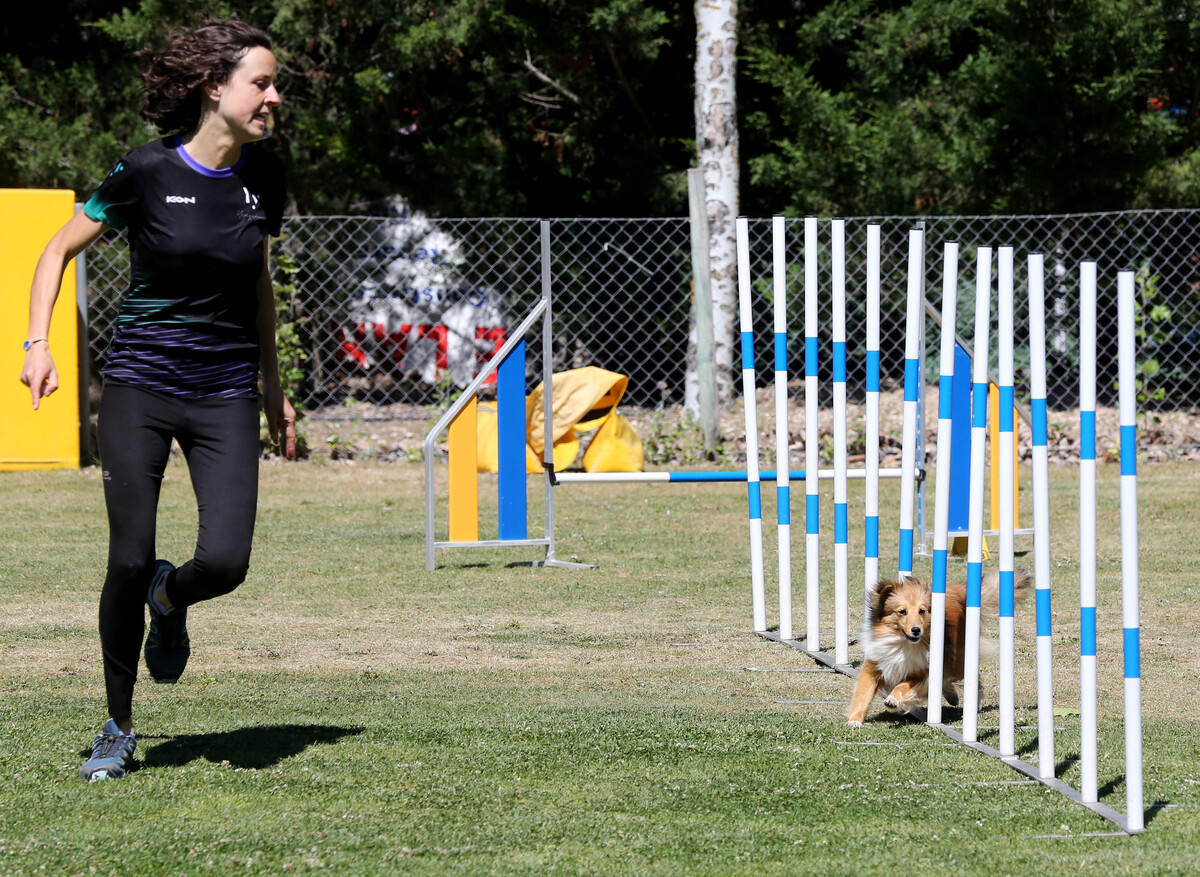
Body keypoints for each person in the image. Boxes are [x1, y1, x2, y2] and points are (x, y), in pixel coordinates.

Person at [19, 19, 296, 782]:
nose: (274, 97)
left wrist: (274, 387)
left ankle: (169, 600)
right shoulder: (144, 171)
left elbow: (259, 286)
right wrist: (36, 342)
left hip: (226, 390)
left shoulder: (265, 179)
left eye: (276, 86)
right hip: (141, 385)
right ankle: (117, 723)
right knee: (127, 555)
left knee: (228, 560)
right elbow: (56, 249)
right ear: (216, 87)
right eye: (261, 83)